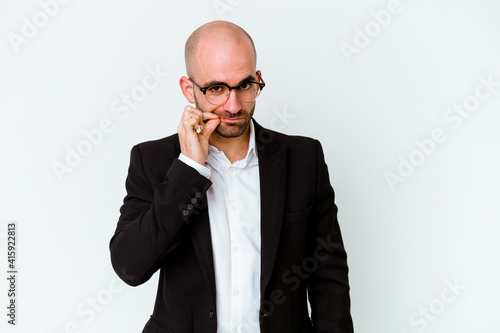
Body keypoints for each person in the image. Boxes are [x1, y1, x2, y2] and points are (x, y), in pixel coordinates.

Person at [109, 20, 354, 333]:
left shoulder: (304, 158)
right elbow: (131, 266)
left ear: (258, 79)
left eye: (245, 85)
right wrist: (190, 169)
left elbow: (329, 276)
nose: (234, 105)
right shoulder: (153, 161)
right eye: (216, 89)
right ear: (188, 89)